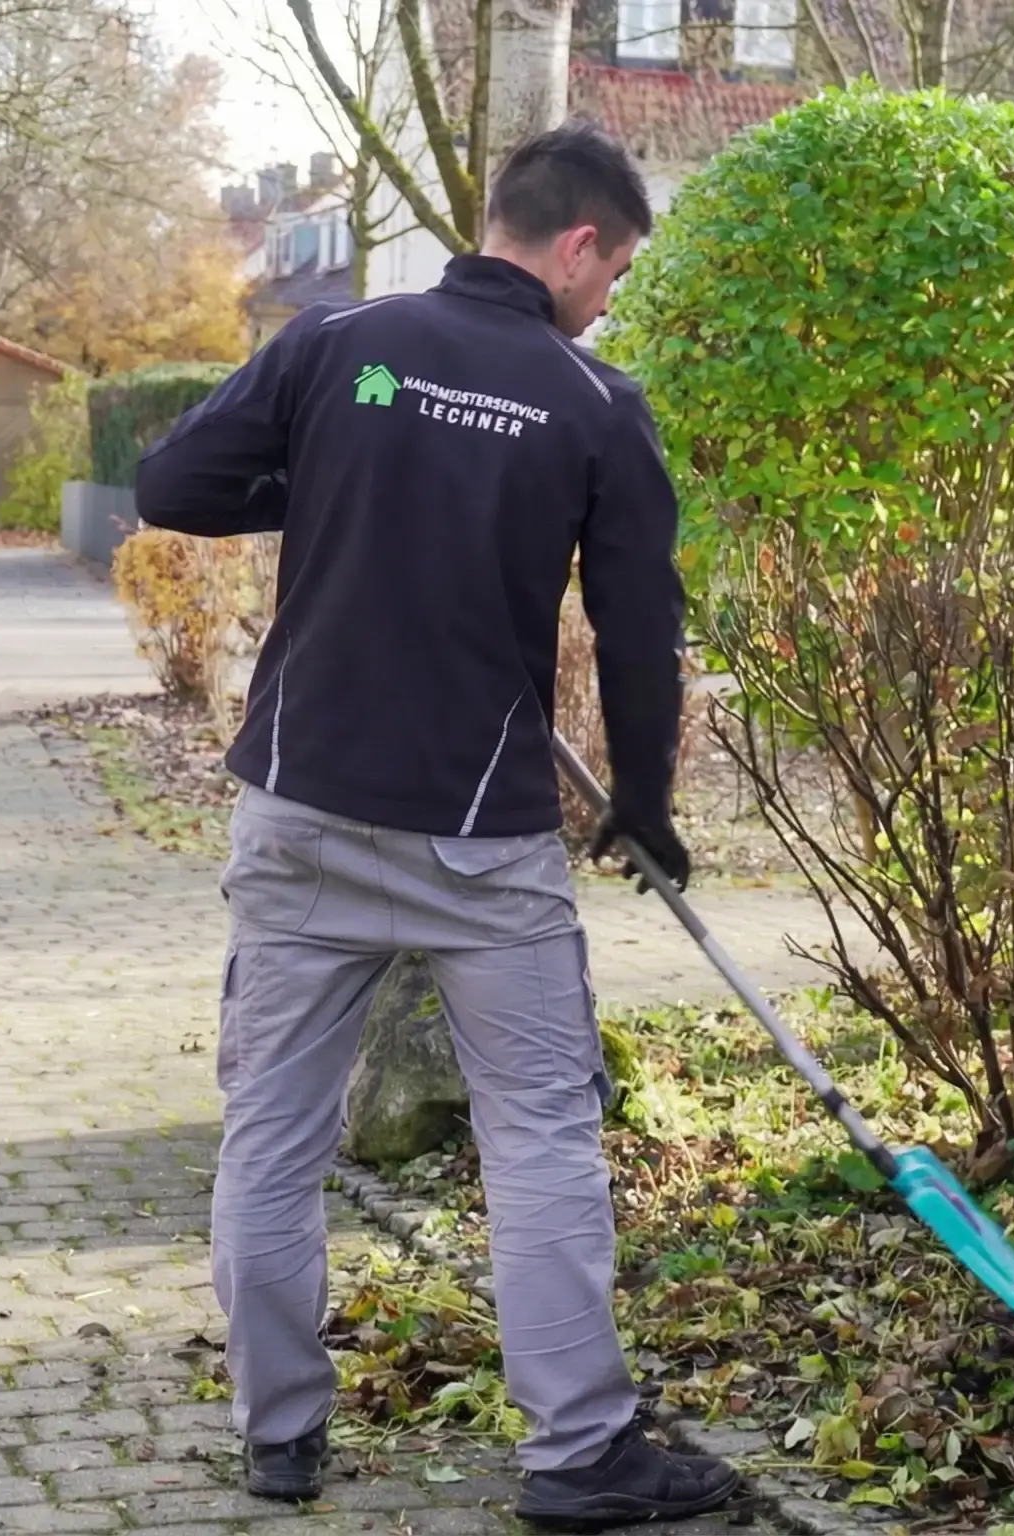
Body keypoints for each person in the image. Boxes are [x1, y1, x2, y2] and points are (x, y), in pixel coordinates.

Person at [134, 124, 740, 1528]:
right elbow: (642, 635)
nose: (613, 299)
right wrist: (644, 802)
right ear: (579, 242)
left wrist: (336, 476)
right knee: (537, 1132)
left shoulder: (338, 343)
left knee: (273, 1133)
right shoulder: (593, 400)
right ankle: (579, 1454)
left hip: (301, 813)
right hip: (481, 843)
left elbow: (175, 489)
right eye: (620, 268)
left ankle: (280, 1438)